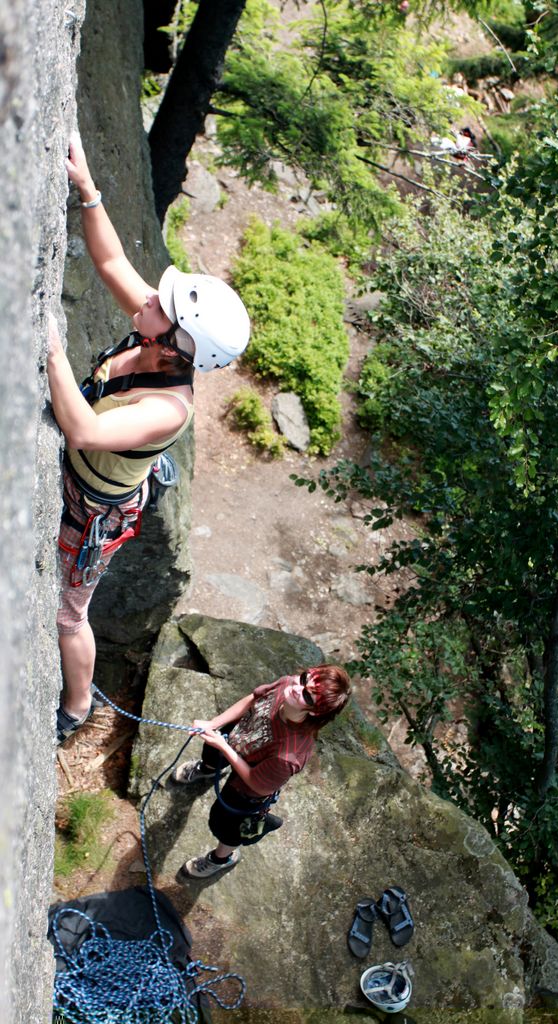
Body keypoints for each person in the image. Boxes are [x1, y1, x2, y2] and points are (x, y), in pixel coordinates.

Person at [49, 134, 250, 745]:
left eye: (161, 305)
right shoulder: (158, 331)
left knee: (69, 612)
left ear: (175, 340)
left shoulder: (169, 407)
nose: (148, 298)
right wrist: (89, 191)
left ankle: (78, 707)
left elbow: (83, 431)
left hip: (96, 510)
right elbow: (110, 263)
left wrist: (50, 343)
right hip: (85, 474)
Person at [174, 665, 350, 879]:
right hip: (241, 735)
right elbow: (252, 700)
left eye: (307, 695)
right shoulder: (287, 684)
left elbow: (258, 784)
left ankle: (221, 859)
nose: (297, 686)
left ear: (315, 711)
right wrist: (213, 724)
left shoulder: (290, 754)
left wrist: (225, 747)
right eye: (305, 678)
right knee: (212, 750)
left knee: (225, 823)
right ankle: (208, 769)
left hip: (249, 784)